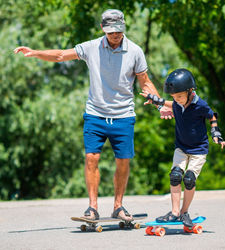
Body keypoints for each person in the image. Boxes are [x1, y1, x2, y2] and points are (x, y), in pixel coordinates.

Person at [14, 9, 172, 221]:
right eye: (110, 32)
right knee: (91, 158)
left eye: (118, 31)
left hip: (123, 115)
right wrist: (35, 52)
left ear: (123, 27)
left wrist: (159, 103)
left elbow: (145, 81)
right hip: (95, 115)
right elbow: (61, 55)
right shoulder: (91, 47)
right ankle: (92, 207)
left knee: (123, 161)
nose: (115, 35)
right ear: (102, 29)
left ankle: (118, 206)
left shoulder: (135, 51)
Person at [141, 68, 225, 227]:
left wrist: (216, 133)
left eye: (180, 96)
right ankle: (174, 213)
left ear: (190, 91)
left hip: (198, 150)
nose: (177, 100)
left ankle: (184, 212)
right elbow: (171, 103)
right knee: (175, 176)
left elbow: (212, 115)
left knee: (189, 179)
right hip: (181, 147)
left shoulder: (200, 105)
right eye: (174, 97)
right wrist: (155, 100)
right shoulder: (178, 102)